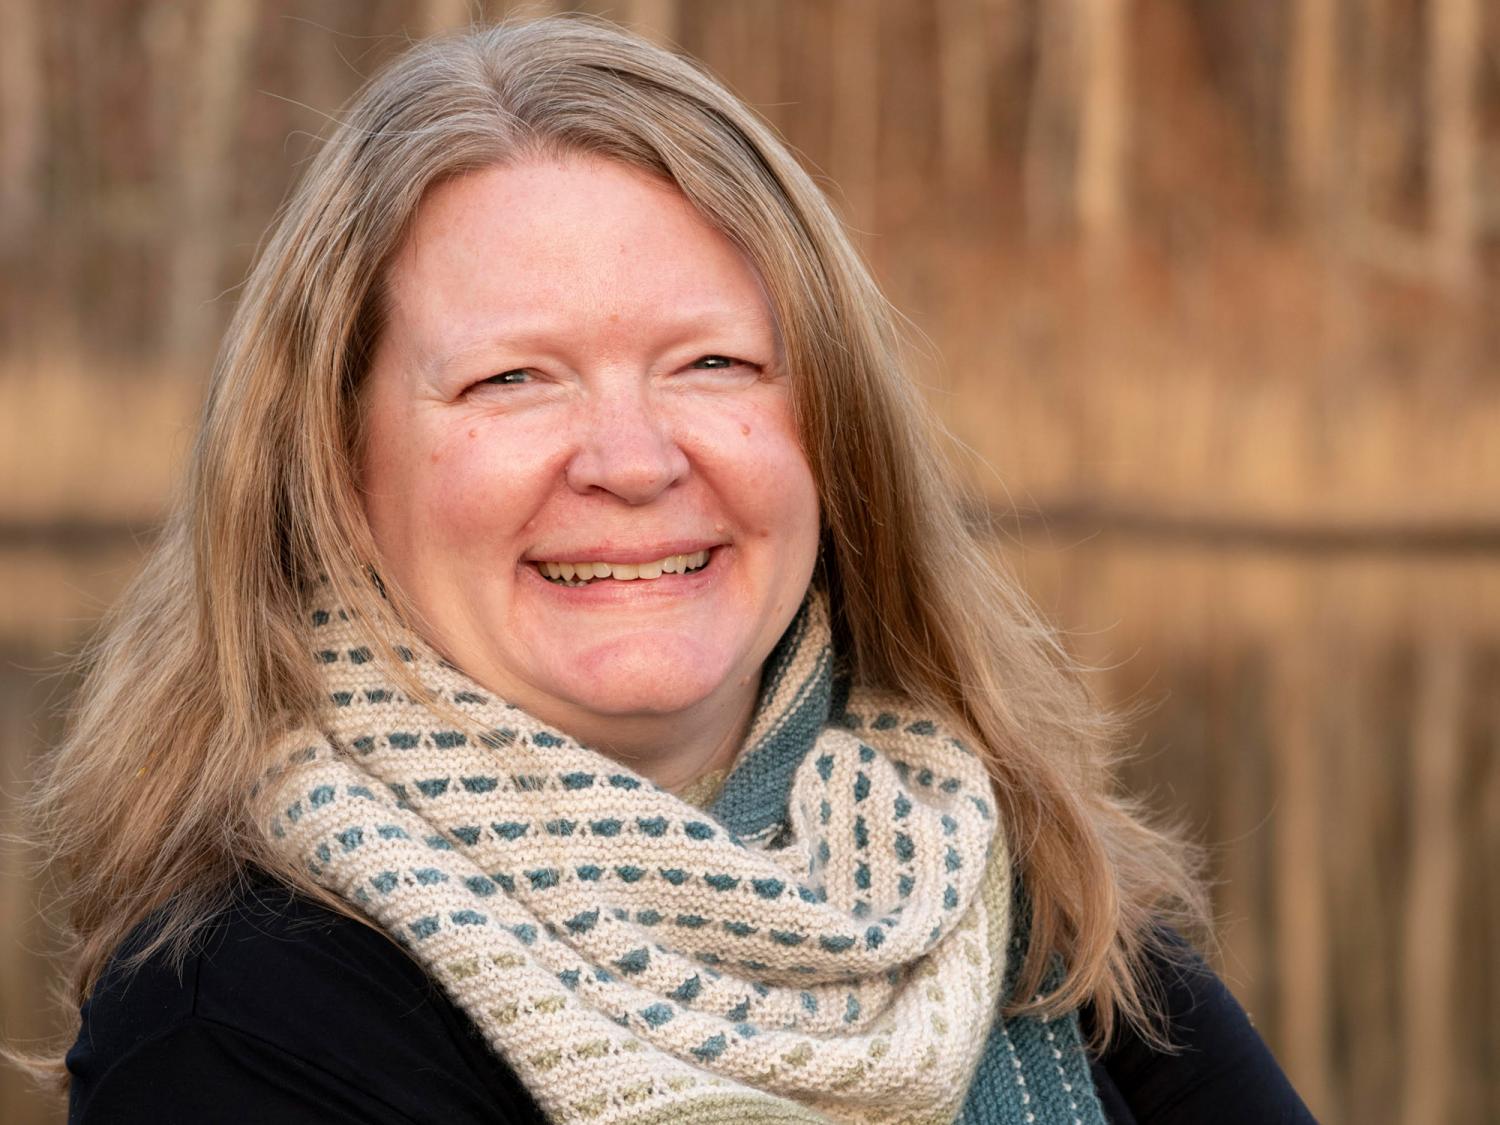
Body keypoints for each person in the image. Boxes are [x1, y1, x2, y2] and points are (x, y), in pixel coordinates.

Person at [27, 16, 1313, 1124]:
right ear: (331, 465)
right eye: (511, 380)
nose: (632, 461)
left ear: (832, 437)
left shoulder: (1019, 891)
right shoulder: (238, 1019)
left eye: (715, 365)